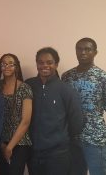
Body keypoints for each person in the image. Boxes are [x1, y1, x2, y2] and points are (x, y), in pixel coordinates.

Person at [61, 38, 106, 175]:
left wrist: (105, 137)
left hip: (95, 139)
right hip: (72, 138)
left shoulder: (105, 78)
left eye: (87, 49)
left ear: (95, 52)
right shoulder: (66, 77)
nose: (83, 52)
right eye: (79, 49)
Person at [26, 47, 83, 175]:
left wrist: (59, 138)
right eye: (40, 62)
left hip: (58, 155)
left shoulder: (66, 90)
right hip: (33, 153)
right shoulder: (29, 86)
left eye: (49, 62)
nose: (44, 65)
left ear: (56, 64)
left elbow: (77, 124)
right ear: (36, 64)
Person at [0, 53, 33, 175]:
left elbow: (26, 120)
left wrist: (10, 147)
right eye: (4, 64)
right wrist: (2, 144)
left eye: (11, 64)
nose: (7, 67)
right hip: (0, 142)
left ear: (16, 67)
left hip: (20, 142)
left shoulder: (25, 88)